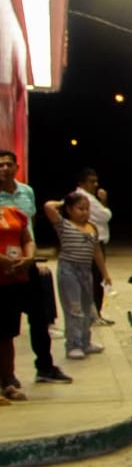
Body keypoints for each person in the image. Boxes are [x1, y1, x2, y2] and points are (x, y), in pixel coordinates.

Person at [0, 149, 71, 385]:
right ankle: (7, 378)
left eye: (9, 164)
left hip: (25, 264)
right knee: (6, 327)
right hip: (2, 270)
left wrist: (31, 258)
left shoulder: (26, 192)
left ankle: (45, 367)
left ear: (17, 167)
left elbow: (28, 230)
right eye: (0, 165)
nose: (5, 169)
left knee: (40, 317)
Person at [43, 194, 111, 361]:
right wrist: (63, 202)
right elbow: (48, 206)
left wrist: (105, 273)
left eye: (87, 209)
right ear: (69, 210)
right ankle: (73, 345)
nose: (84, 212)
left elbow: (97, 252)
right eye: (80, 209)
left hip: (86, 272)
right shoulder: (63, 224)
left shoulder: (92, 227)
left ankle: (85, 341)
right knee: (74, 308)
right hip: (68, 271)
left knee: (87, 307)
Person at [0, 182, 37, 402]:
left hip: (11, 280)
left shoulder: (15, 213)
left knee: (7, 335)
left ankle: (8, 382)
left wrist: (29, 258)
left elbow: (27, 238)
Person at [70, 168, 113, 325]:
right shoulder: (84, 197)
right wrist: (104, 201)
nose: (95, 185)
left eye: (96, 181)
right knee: (92, 279)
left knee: (95, 278)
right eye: (91, 181)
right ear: (81, 183)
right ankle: (91, 315)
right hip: (88, 241)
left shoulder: (89, 197)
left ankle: (94, 314)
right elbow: (105, 216)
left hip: (94, 240)